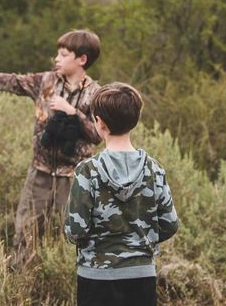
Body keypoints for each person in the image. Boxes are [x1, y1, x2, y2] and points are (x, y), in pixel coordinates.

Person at [0, 29, 103, 265]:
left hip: (75, 176)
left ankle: (75, 282)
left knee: (78, 235)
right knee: (26, 234)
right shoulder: (45, 81)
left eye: (63, 54)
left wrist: (73, 113)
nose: (56, 59)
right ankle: (20, 282)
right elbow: (11, 81)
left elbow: (98, 136)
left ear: (82, 59)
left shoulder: (95, 93)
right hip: (40, 172)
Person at [64, 82, 179, 306]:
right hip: (141, 275)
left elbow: (75, 230)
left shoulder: (87, 170)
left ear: (99, 123)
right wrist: (141, 242)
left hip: (96, 277)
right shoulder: (154, 168)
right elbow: (170, 224)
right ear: (134, 120)